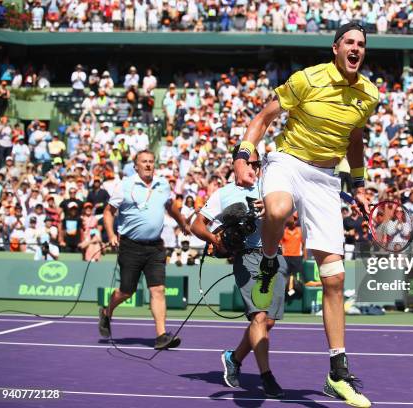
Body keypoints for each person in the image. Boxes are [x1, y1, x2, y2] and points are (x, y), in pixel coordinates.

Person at [233, 22, 376, 407]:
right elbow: (263, 118)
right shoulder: (306, 80)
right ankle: (266, 262)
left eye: (362, 44)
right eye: (350, 42)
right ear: (336, 48)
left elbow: (356, 139)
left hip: (326, 177)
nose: (356, 48)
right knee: (277, 209)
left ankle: (337, 371)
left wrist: (358, 185)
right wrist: (242, 156)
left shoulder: (369, 94)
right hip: (288, 160)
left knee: (334, 276)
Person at [191, 146, 288, 399]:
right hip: (247, 257)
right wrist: (216, 239)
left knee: (268, 322)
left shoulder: (270, 186)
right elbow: (196, 225)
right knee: (259, 317)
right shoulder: (223, 194)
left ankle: (233, 358)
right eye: (252, 164)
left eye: (259, 165)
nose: (256, 169)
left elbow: (289, 211)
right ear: (238, 163)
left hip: (274, 254)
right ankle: (267, 376)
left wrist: (270, 208)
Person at [99, 149, 190, 350]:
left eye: (151, 161)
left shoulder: (163, 184)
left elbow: (170, 206)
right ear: (136, 166)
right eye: (144, 162)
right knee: (126, 291)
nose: (148, 165)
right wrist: (111, 235)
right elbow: (108, 212)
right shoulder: (125, 186)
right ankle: (107, 312)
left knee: (158, 290)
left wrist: (181, 221)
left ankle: (161, 336)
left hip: (155, 247)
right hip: (131, 246)